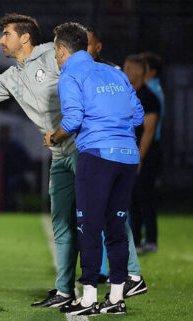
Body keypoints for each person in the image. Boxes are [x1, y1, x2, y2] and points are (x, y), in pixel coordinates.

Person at [0, 13, 146, 308]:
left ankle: (132, 276)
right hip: (58, 153)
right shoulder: (11, 77)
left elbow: (93, 69)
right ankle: (64, 291)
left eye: (6, 33)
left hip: (83, 147)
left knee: (108, 213)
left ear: (25, 38)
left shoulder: (53, 53)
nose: (1, 40)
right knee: (61, 222)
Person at [45, 22, 144, 315]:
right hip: (127, 156)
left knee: (89, 225)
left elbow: (73, 120)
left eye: (55, 51)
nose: (55, 58)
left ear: (63, 50)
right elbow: (137, 114)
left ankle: (87, 297)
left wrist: (53, 137)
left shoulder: (71, 74)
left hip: (97, 155)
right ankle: (115, 298)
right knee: (117, 225)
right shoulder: (115, 72)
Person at [87, 28, 144, 286]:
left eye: (88, 43)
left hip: (104, 152)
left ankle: (129, 272)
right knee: (101, 215)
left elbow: (137, 114)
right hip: (102, 151)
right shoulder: (91, 73)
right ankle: (102, 271)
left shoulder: (110, 72)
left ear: (98, 47)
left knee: (113, 216)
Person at [124, 54, 162, 253]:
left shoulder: (148, 97)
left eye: (129, 68)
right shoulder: (128, 94)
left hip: (145, 154)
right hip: (129, 153)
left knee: (144, 195)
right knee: (131, 197)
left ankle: (151, 241)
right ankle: (137, 241)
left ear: (139, 71)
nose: (125, 71)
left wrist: (138, 157)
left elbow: (149, 131)